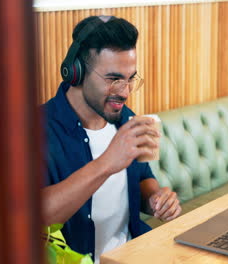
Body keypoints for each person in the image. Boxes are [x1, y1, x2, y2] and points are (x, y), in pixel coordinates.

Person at [41, 15, 181, 262]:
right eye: (114, 79)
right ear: (76, 71)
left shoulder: (126, 118)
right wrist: (106, 163)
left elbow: (143, 176)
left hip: (134, 253)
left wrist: (156, 198)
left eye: (130, 78)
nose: (125, 92)